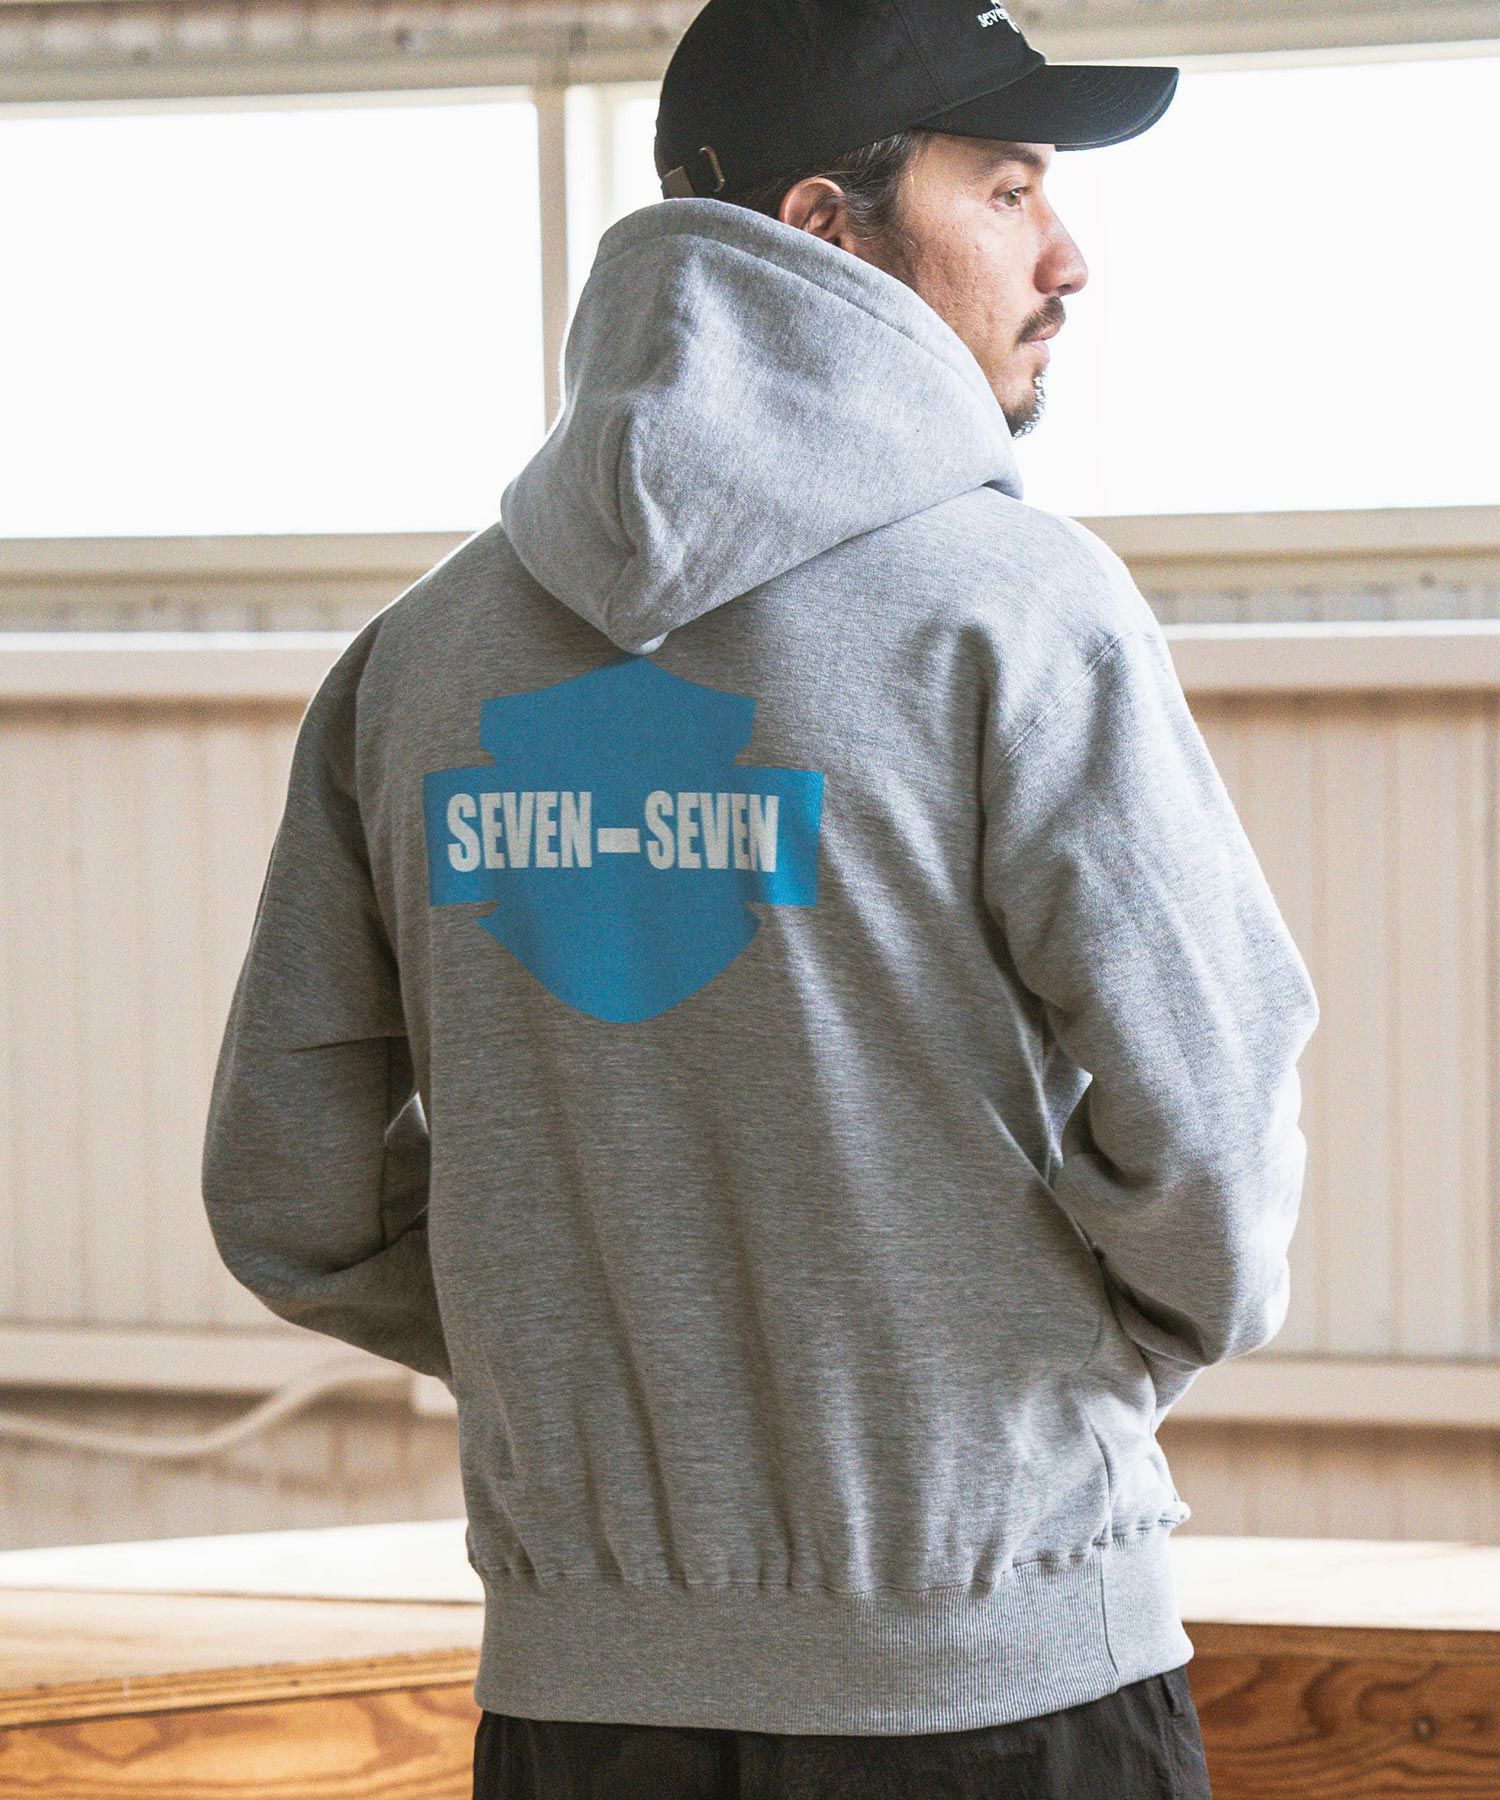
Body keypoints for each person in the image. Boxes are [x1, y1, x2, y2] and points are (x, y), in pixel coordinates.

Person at [200, 0, 1320, 1794]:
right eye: (1007, 190)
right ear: (823, 230)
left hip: (586, 1706)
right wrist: (1046, 1368)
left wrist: (589, 1335)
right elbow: (1209, 1137)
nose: (1067, 254)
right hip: (996, 1665)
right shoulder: (1019, 612)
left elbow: (291, 1195)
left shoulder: (419, 659)